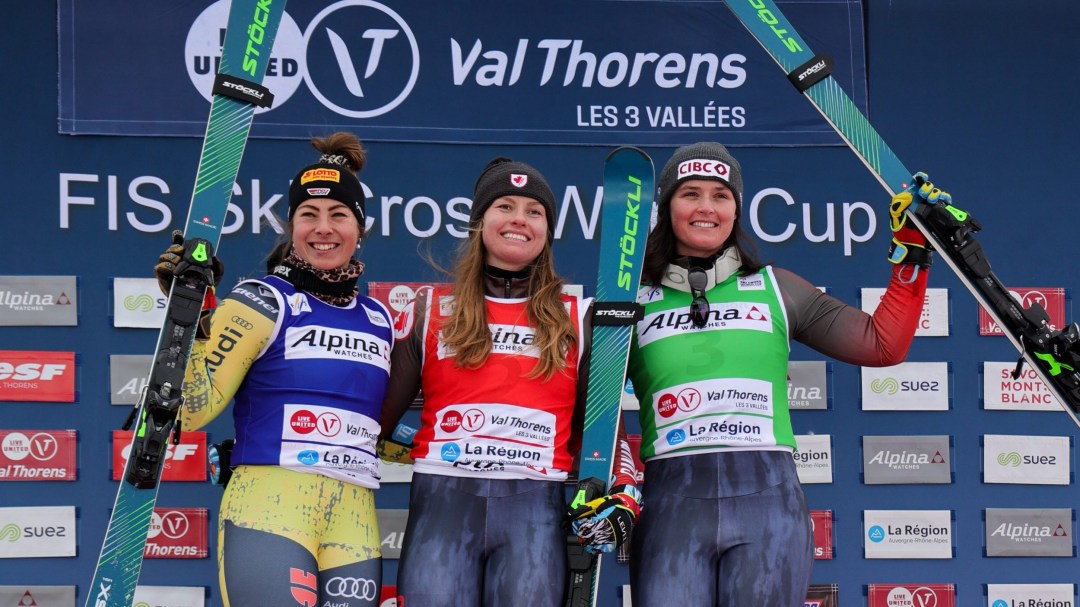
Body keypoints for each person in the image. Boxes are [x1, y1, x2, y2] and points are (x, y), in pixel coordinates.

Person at [625, 142, 935, 606]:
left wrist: (911, 255)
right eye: (690, 193)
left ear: (736, 209)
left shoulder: (776, 288)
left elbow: (882, 344)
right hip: (673, 505)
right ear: (667, 206)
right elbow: (585, 409)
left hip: (767, 507)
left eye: (721, 195)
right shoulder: (628, 301)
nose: (706, 207)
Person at [378, 157, 641, 606]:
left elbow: (602, 427)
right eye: (505, 205)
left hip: (534, 511)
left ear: (547, 232)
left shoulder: (579, 319)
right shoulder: (426, 312)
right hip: (443, 505)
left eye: (534, 211)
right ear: (480, 222)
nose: (519, 219)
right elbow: (372, 424)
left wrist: (624, 489)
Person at [154, 132, 391, 607]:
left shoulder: (379, 319)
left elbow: (385, 431)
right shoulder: (261, 300)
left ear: (359, 227)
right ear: (291, 226)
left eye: (338, 215)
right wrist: (191, 317)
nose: (323, 228)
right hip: (270, 506)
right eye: (309, 215)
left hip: (355, 517)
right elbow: (192, 411)